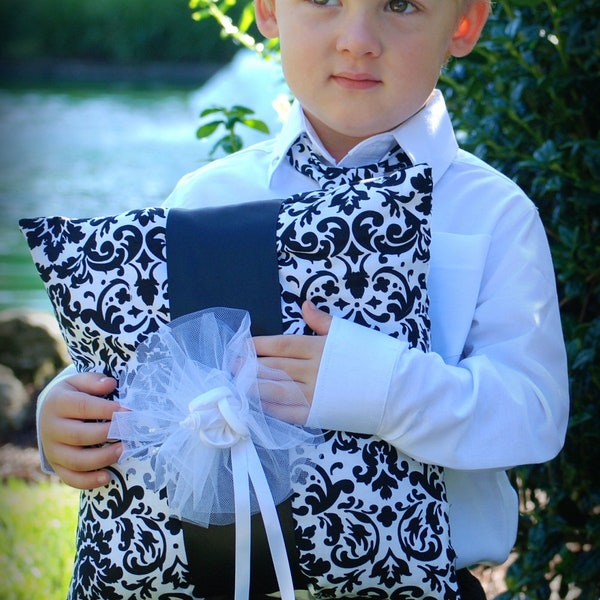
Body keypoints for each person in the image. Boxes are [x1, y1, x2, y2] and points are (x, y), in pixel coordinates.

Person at [36, 0, 569, 598]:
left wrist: (378, 387)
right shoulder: (207, 196)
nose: (358, 39)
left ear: (465, 23)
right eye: (325, 0)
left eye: (400, 4)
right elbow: (157, 373)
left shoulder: (492, 213)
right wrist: (75, 421)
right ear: (267, 9)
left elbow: (534, 414)